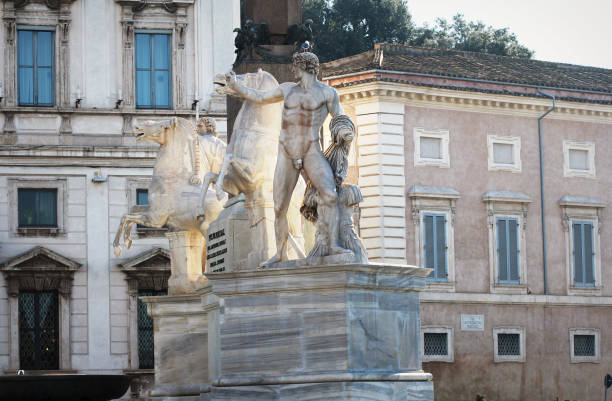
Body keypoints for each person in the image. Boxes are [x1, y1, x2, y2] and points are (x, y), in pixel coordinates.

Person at [224, 51, 351, 265]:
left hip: (311, 149)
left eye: (295, 66)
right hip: (286, 151)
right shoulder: (287, 89)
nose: (293, 70)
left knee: (330, 195)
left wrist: (346, 131)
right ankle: (281, 252)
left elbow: (340, 117)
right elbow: (260, 98)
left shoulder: (328, 94)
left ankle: (333, 245)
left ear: (304, 67)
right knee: (279, 206)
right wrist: (235, 86)